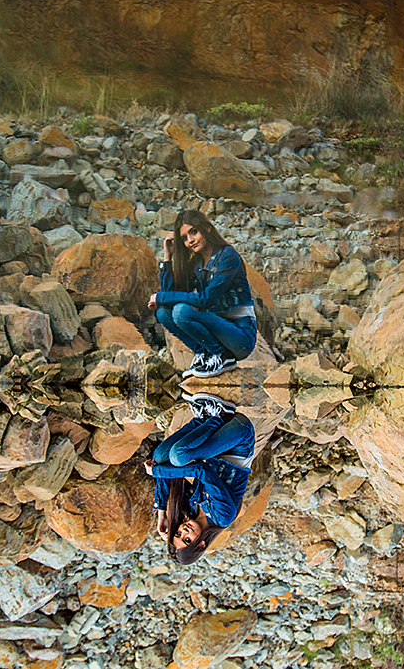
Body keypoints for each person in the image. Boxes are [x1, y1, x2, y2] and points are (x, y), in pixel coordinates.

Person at [146, 393, 255, 564]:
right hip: (239, 437)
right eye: (187, 540)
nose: (184, 531)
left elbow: (169, 480)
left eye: (178, 534)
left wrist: (162, 512)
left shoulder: (191, 510)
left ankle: (204, 417)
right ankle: (221, 415)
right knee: (178, 457)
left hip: (216, 448)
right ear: (201, 544)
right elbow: (201, 469)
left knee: (160, 457)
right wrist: (157, 473)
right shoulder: (222, 517)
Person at [148, 209, 257, 379]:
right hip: (217, 332)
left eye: (193, 232)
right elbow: (169, 296)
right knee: (163, 313)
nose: (190, 240)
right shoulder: (197, 263)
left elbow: (205, 299)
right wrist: (168, 256)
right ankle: (204, 354)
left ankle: (222, 357)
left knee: (181, 312)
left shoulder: (228, 255)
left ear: (206, 228)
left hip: (240, 336)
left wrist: (160, 297)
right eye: (184, 238)